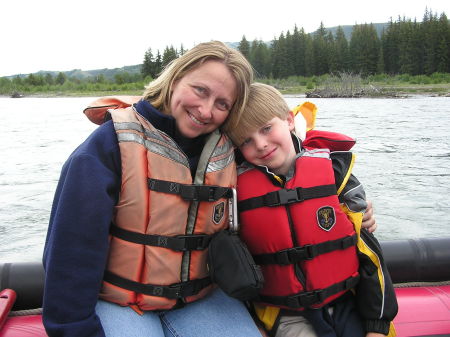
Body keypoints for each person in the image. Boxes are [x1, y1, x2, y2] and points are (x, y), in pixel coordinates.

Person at [42, 41, 264, 337]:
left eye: (222, 104)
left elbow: (277, 151)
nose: (206, 110)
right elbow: (70, 250)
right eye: (200, 90)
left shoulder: (230, 149)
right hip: (120, 300)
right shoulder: (107, 146)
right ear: (175, 78)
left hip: (201, 299)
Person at [223, 83, 398, 337]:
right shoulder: (235, 191)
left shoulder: (337, 175)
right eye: (247, 140)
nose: (260, 144)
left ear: (289, 120)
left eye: (267, 128)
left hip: (346, 301)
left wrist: (377, 326)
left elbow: (369, 253)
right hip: (284, 313)